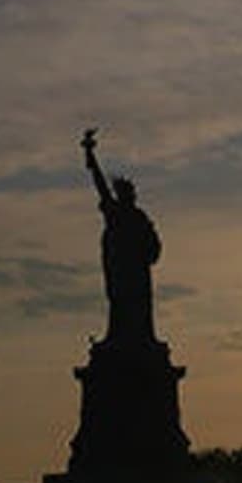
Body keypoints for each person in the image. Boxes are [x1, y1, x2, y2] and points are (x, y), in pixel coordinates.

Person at [82, 128, 161, 346]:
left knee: (140, 306)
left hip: (137, 270)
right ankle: (122, 339)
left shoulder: (138, 216)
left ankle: (141, 339)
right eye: (129, 194)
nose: (132, 197)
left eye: (132, 194)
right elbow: (100, 185)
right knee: (121, 304)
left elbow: (152, 241)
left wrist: (151, 250)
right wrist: (90, 155)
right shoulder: (116, 212)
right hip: (122, 269)